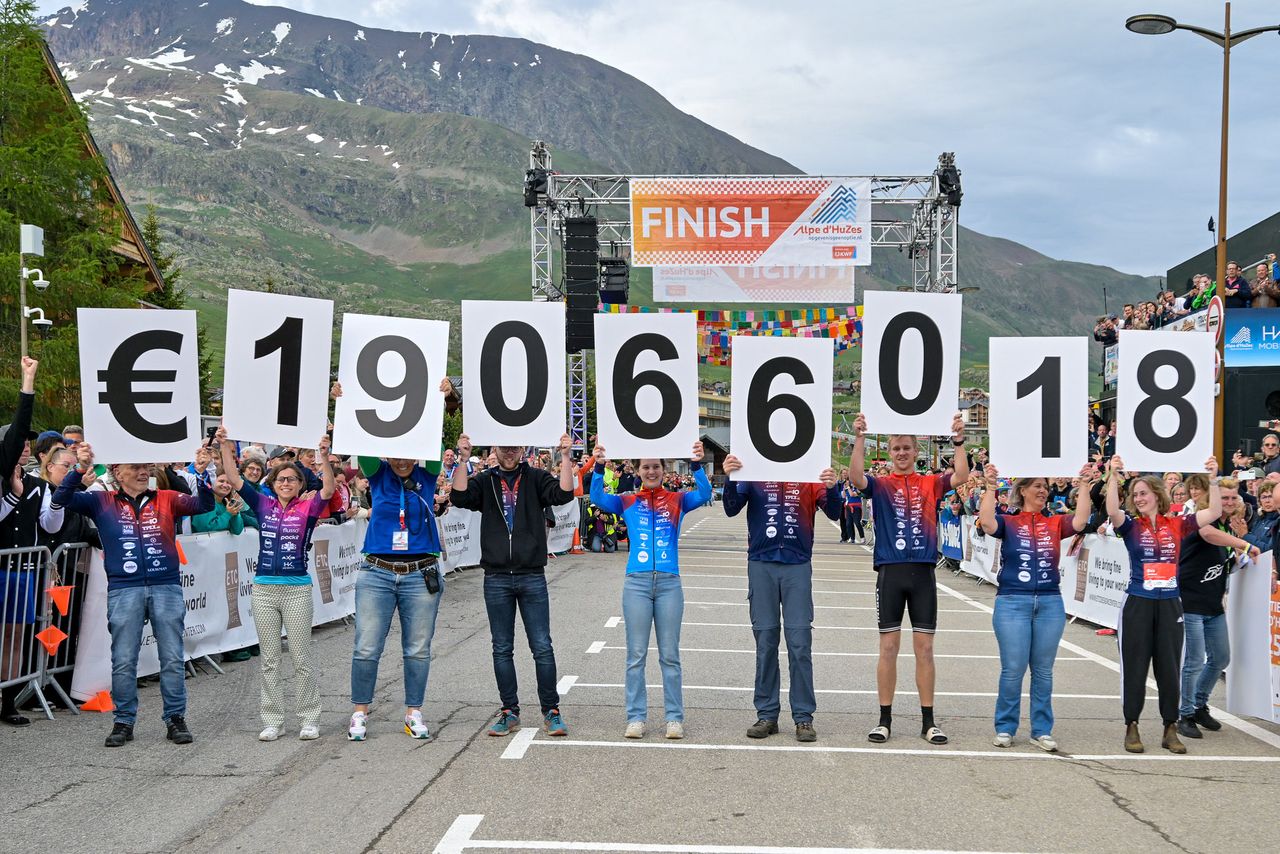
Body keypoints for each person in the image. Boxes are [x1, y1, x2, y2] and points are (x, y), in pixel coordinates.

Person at [53, 442, 213, 747]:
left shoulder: (166, 498)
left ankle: (175, 719)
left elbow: (204, 505)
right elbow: (62, 498)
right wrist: (80, 466)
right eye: (135, 468)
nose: (143, 472)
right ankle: (123, 721)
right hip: (124, 589)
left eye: (146, 467)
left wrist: (202, 473)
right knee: (124, 659)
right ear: (117, 472)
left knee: (171, 657)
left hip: (166, 586)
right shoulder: (101, 501)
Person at [329, 384, 449, 742]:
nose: (401, 459)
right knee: (367, 645)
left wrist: (439, 402)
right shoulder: (377, 473)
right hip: (377, 571)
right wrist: (343, 402)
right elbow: (361, 438)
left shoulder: (426, 476)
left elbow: (433, 438)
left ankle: (414, 711)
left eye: (408, 453)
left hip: (420, 571)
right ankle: (359, 712)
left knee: (417, 647)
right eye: (396, 453)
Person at [849, 410, 970, 745]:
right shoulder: (882, 484)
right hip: (890, 570)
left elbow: (961, 474)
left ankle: (928, 722)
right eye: (896, 448)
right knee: (888, 647)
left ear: (916, 451)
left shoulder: (931, 482)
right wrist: (859, 437)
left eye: (907, 448)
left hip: (923, 572)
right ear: (889, 453)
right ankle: (884, 719)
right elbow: (856, 477)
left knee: (925, 649)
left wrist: (958, 440)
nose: (902, 453)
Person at [450, 430, 577, 738]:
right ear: (495, 447)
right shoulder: (485, 479)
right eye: (503, 447)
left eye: (513, 447)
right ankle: (509, 711)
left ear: (522, 448)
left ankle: (551, 711)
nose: (508, 452)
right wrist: (464, 460)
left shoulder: (535, 477)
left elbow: (564, 494)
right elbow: (459, 497)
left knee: (542, 647)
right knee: (501, 648)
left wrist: (564, 456)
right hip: (495, 577)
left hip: (531, 574)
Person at [217, 427, 335, 741]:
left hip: (297, 589)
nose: (286, 483)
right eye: (281, 479)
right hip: (264, 590)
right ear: (273, 482)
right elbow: (233, 476)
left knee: (301, 657)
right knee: (269, 659)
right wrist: (227, 446)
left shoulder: (308, 508)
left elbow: (328, 488)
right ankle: (273, 720)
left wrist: (323, 457)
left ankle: (309, 718)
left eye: (292, 480)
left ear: (299, 486)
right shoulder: (262, 504)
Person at [589, 443, 711, 739]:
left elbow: (705, 495)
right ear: (638, 471)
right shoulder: (628, 499)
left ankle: (674, 718)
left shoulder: (678, 499)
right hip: (637, 583)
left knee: (670, 655)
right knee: (636, 655)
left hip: (669, 582)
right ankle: (635, 717)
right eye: (646, 467)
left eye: (656, 466)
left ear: (664, 469)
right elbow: (596, 497)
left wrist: (697, 464)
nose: (652, 471)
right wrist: (599, 465)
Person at [1105, 454, 1220, 755]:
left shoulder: (1179, 524)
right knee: (1135, 666)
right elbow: (1111, 509)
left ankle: (1170, 727)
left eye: (1143, 493)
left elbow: (1215, 511)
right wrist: (1114, 476)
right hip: (1138, 603)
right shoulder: (1130, 525)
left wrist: (1215, 478)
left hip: (1170, 603)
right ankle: (1132, 725)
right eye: (1134, 494)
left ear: (1157, 494)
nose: (1138, 498)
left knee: (1170, 667)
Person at [720, 454, 839, 743]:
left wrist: (833, 486)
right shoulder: (755, 467)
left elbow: (834, 512)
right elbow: (731, 508)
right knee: (765, 642)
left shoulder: (810, 470)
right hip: (761, 562)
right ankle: (767, 714)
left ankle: (803, 717)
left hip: (797, 564)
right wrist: (730, 476)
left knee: (800, 643)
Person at [977, 463, 1095, 752]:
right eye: (1037, 486)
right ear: (1023, 491)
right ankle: (1005, 727)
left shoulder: (1055, 522)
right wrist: (991, 488)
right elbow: (987, 522)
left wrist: (1083, 486)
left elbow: (1080, 521)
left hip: (1050, 602)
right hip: (1012, 601)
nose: (1043, 490)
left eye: (1045, 486)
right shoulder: (1009, 521)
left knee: (1043, 671)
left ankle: (1041, 730)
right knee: (1013, 669)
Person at [1175, 477, 1260, 741]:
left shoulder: (1228, 527)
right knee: (1193, 661)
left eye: (1234, 497)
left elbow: (1229, 563)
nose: (1230, 502)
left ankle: (1199, 704)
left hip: (1213, 604)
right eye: (1224, 497)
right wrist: (1243, 544)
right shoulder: (1202, 520)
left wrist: (1242, 551)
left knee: (1221, 658)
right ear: (1211, 499)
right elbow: (1208, 535)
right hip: (1190, 602)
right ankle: (1184, 714)